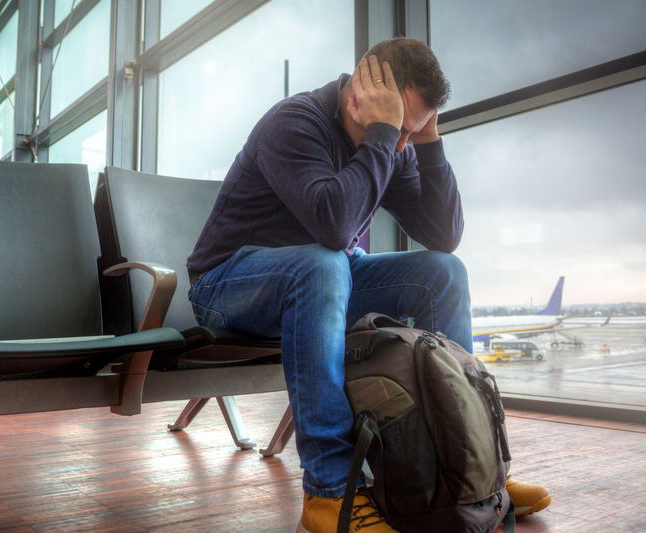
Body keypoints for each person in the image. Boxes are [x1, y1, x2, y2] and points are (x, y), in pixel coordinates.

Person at [186, 37, 550, 533]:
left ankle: (473, 471)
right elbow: (334, 227)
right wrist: (384, 132)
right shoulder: (294, 123)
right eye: (400, 129)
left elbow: (443, 236)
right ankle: (330, 493)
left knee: (443, 273)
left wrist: (428, 142)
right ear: (360, 95)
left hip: (325, 279)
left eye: (412, 131)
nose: (401, 145)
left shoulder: (395, 143)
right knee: (323, 263)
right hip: (228, 285)